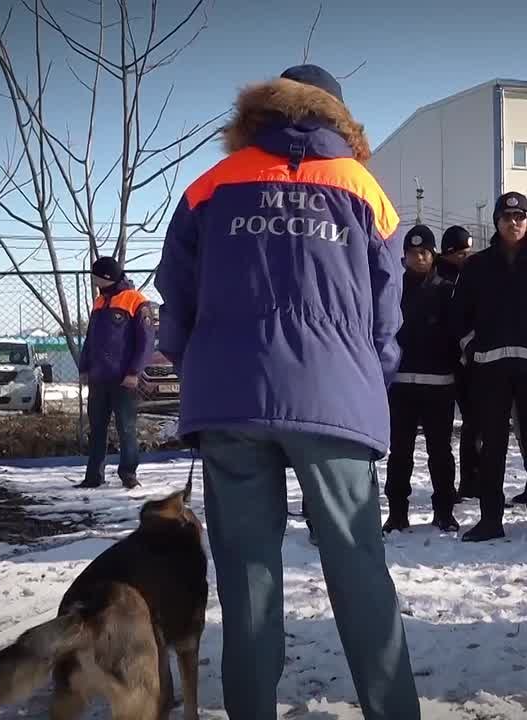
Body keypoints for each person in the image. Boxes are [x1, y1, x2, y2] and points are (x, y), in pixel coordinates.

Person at [154, 64, 420, 719]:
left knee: (247, 575)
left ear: (263, 110)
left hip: (230, 399)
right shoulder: (363, 187)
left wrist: (204, 368)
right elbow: (388, 310)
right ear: (338, 114)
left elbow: (175, 299)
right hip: (336, 401)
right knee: (358, 566)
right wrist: (368, 377)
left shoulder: (212, 184)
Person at [451, 191, 527, 544]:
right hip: (489, 371)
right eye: (507, 217)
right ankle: (490, 519)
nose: (513, 223)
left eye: (520, 217)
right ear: (497, 222)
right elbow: (458, 314)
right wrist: (470, 346)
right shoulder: (476, 266)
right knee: (492, 447)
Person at [384, 224, 460, 533]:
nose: (419, 258)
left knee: (440, 453)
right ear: (403, 256)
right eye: (413, 253)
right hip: (401, 384)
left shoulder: (447, 290)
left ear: (433, 254)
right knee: (399, 453)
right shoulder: (393, 291)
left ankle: (444, 511)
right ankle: (397, 513)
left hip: (438, 384)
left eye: (424, 252)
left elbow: (456, 333)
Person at [78, 256, 154, 490]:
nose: (94, 281)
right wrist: (84, 367)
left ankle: (128, 473)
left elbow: (146, 341)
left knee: (126, 428)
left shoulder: (136, 300)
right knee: (96, 429)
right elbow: (91, 338)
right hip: (98, 378)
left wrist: (134, 371)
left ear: (107, 277)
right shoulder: (99, 302)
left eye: (96, 276)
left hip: (124, 380)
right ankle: (94, 476)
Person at [438, 225, 480, 501]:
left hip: (466, 361)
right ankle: (446, 486)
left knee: (474, 422)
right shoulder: (438, 279)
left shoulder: (470, 277)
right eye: (462, 253)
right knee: (442, 432)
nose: (467, 257)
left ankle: (471, 481)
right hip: (442, 363)